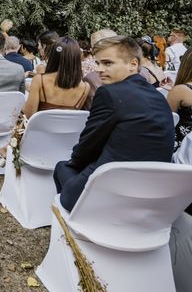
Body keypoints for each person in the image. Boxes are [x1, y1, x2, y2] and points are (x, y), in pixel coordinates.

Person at [53, 36, 175, 211]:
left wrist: (75, 164)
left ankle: (74, 227)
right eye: (98, 63)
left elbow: (87, 144)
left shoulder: (109, 93)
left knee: (62, 167)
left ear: (133, 64)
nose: (100, 70)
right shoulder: (157, 95)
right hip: (152, 193)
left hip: (109, 192)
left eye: (108, 63)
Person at [23, 37, 90, 118]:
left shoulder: (39, 80)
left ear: (53, 56)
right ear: (76, 58)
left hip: (41, 129)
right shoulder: (85, 87)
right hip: (68, 130)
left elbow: (29, 115)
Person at [167, 48, 192, 151]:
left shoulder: (180, 91)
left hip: (183, 153)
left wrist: (174, 91)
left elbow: (165, 122)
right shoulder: (180, 91)